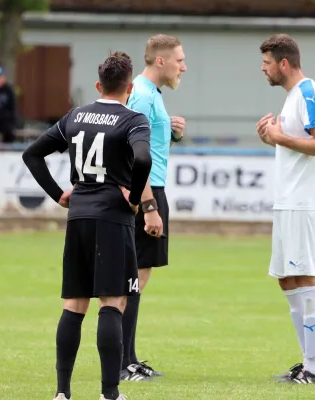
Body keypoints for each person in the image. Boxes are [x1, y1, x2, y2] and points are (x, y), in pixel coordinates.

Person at [22, 51, 153, 400]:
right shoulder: (134, 119)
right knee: (112, 302)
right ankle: (109, 394)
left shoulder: (75, 116)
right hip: (113, 218)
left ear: (98, 85)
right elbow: (143, 158)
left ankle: (63, 393)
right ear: (129, 87)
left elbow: (31, 154)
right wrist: (137, 198)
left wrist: (59, 195)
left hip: (78, 215)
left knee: (74, 304)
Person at [256, 33, 315, 384]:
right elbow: (293, 143)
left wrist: (280, 138)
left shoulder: (309, 92)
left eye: (267, 63)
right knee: (287, 280)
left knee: (307, 276)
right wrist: (271, 136)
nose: (264, 70)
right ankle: (307, 362)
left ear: (283, 63)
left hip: (306, 201)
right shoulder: (292, 98)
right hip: (288, 200)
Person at [119, 34, 187, 382]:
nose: (184, 66)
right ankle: (122, 364)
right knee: (134, 278)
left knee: (138, 276)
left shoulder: (151, 95)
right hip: (147, 192)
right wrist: (148, 205)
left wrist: (169, 131)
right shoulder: (144, 96)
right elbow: (134, 156)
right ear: (160, 61)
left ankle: (129, 358)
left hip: (151, 189)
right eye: (179, 60)